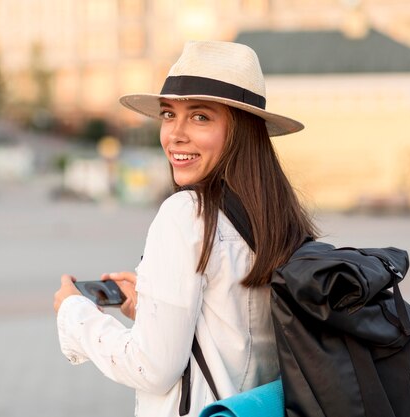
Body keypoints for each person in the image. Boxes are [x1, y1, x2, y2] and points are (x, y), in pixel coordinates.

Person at [53, 40, 317, 417]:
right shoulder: (278, 218)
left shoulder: (187, 215)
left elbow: (152, 368)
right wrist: (150, 308)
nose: (174, 134)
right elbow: (238, 334)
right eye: (167, 114)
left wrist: (75, 314)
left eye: (200, 117)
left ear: (240, 130)